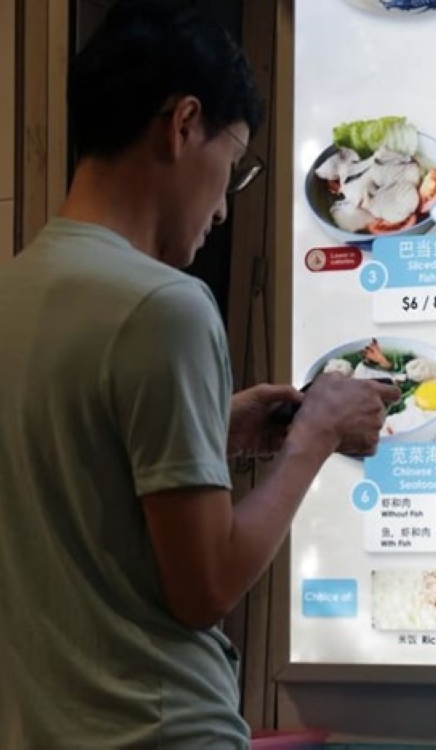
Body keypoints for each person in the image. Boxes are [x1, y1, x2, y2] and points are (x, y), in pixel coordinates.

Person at [0, 1, 399, 746]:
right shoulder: (165, 307)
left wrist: (213, 429)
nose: (222, 207)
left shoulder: (15, 292)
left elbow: (75, 486)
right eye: (235, 163)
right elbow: (205, 588)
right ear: (183, 124)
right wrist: (314, 435)